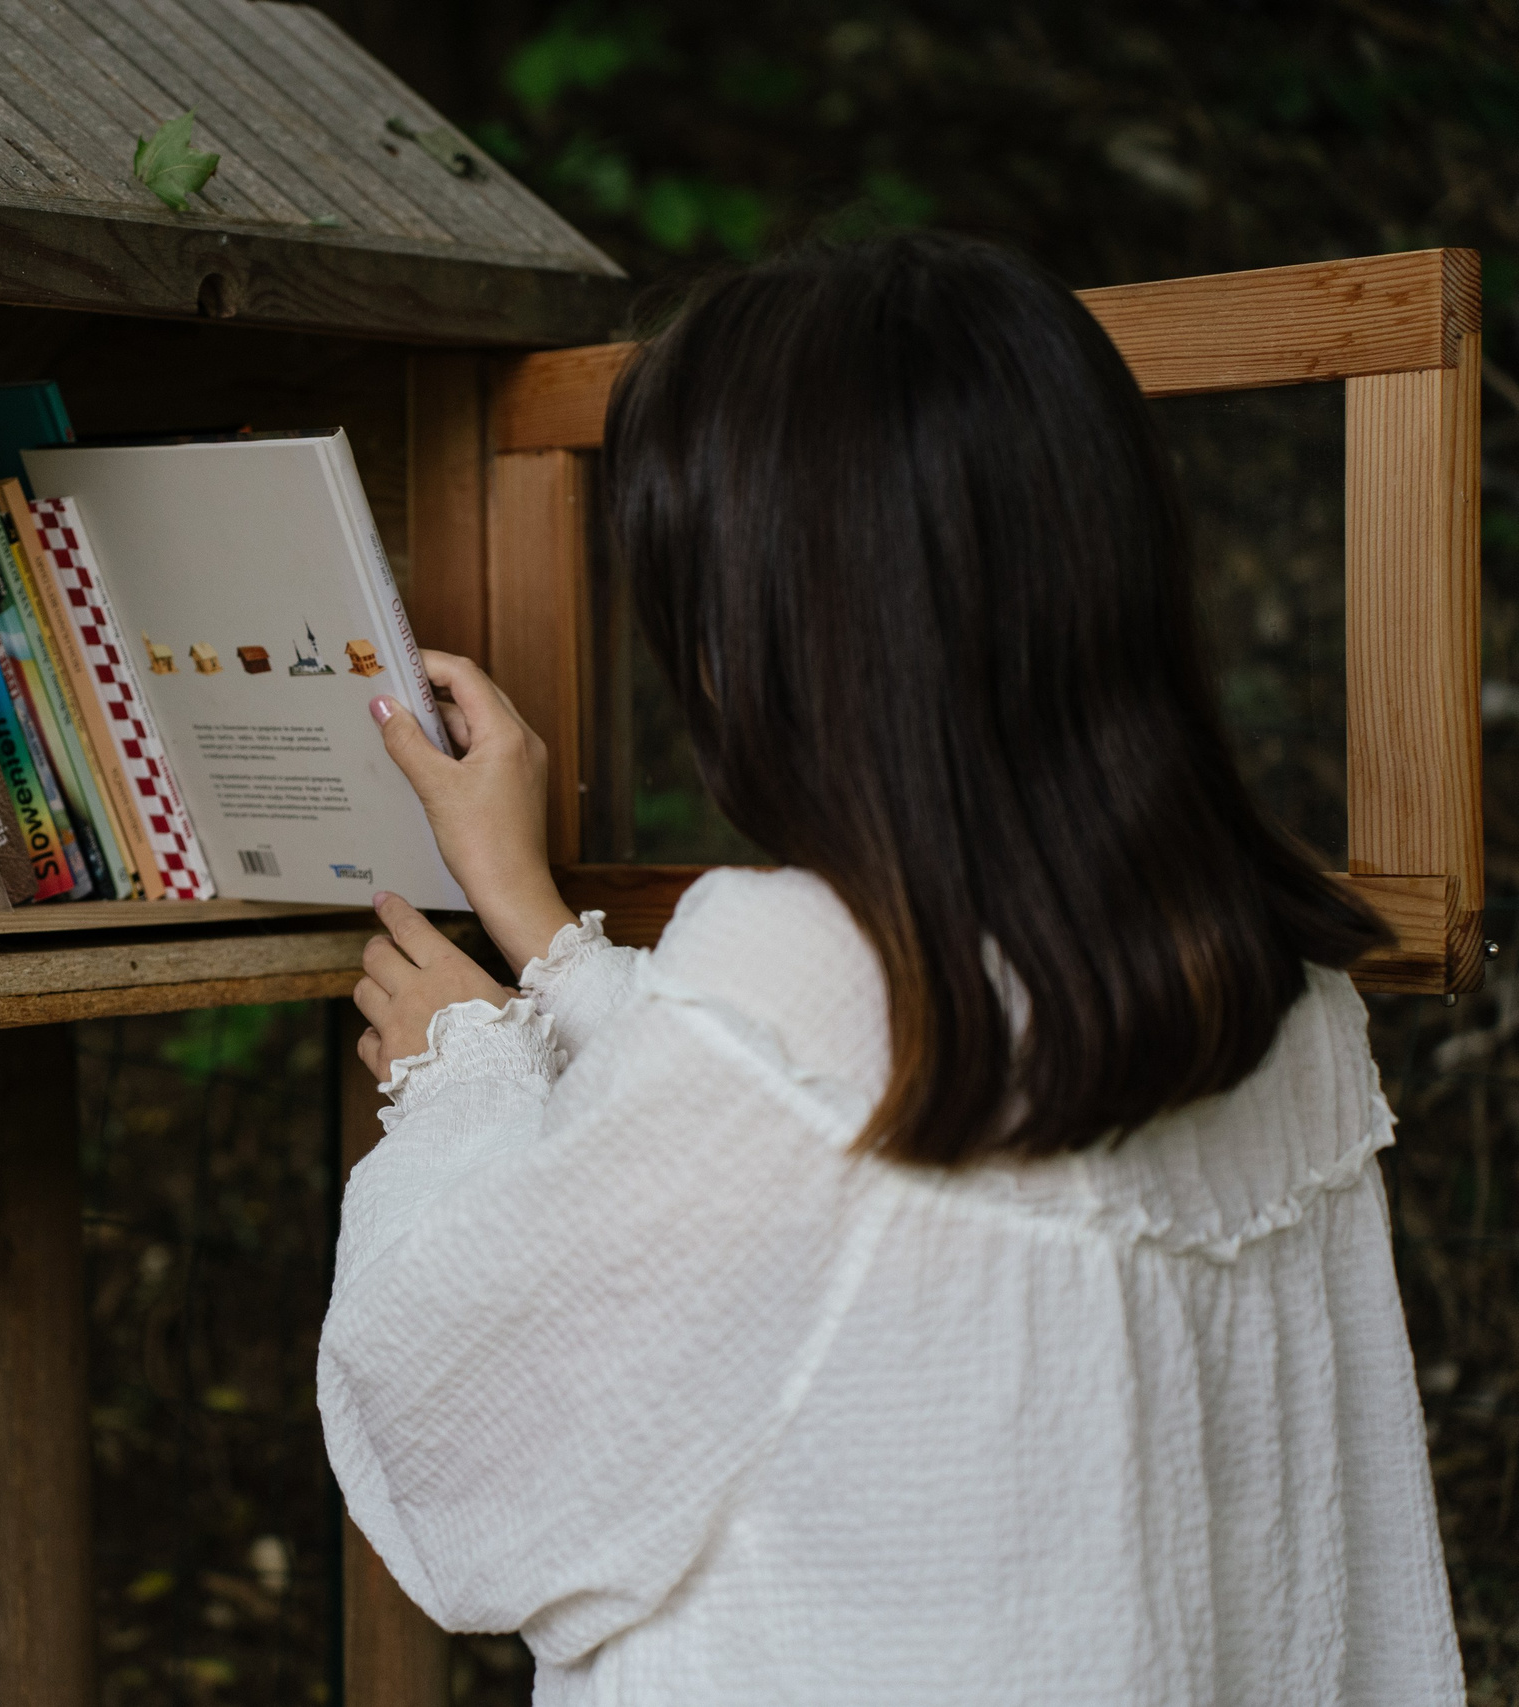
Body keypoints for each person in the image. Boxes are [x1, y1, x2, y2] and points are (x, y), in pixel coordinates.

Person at [324, 233, 1462, 1704]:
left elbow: (466, 1428)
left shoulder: (808, 979)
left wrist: (462, 1076)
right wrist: (533, 920)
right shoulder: (1270, 972)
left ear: (783, 634)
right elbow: (822, 1167)